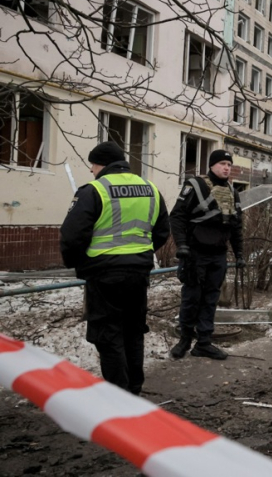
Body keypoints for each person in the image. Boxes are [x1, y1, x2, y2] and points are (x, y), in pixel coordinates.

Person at [60, 142, 170, 395]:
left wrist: (81, 264)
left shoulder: (94, 190)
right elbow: (163, 231)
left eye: (93, 164)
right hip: (138, 272)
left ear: (103, 164)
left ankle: (118, 395)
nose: (91, 169)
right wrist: (141, 253)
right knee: (133, 330)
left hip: (104, 274)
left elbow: (71, 236)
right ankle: (133, 388)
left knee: (107, 335)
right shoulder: (150, 188)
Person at [169, 150, 244, 360]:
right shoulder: (195, 185)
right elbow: (177, 217)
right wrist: (181, 245)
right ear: (211, 165)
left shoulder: (232, 191)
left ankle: (203, 343)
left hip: (218, 255)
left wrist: (239, 254)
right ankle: (184, 340)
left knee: (211, 299)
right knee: (191, 297)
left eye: (229, 164)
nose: (227, 167)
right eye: (222, 163)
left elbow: (236, 227)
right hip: (195, 254)